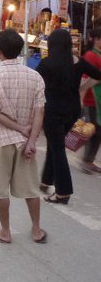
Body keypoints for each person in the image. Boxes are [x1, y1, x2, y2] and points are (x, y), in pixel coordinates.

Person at [0, 29, 47, 244]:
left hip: (1, 139)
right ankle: (36, 230)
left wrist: (18, 127)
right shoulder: (35, 77)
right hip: (25, 142)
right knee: (31, 188)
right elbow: (39, 111)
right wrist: (31, 139)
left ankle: (5, 231)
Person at [36, 29, 101, 203]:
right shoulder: (78, 62)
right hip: (72, 111)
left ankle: (63, 192)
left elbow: (35, 85)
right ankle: (46, 181)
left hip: (52, 111)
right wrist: (82, 87)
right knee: (55, 145)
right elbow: (98, 75)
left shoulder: (46, 63)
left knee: (57, 149)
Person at [81, 28, 101, 174]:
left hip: (99, 99)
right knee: (93, 131)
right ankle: (86, 161)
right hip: (91, 98)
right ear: (96, 39)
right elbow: (85, 78)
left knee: (98, 132)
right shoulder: (90, 55)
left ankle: (89, 160)